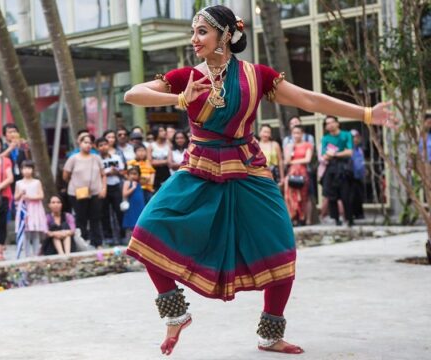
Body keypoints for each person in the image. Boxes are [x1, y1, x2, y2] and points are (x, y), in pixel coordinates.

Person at [123, 4, 394, 355]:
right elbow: (133, 94)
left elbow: (309, 99)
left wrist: (367, 113)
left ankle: (271, 334)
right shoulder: (185, 76)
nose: (194, 39)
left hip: (247, 170)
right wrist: (178, 97)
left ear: (225, 35)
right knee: (147, 231)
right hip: (198, 170)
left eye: (202, 32)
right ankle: (175, 313)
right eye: (193, 32)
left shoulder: (256, 76)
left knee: (281, 249)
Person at [63, 133, 106, 248]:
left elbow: (103, 174)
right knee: (80, 217)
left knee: (95, 217)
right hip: (77, 193)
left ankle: (97, 242)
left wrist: (103, 188)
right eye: (85, 142)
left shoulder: (96, 158)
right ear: (80, 143)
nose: (88, 145)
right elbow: (65, 176)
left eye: (90, 143)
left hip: (95, 192)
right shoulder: (73, 158)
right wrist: (76, 184)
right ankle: (82, 242)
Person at [321, 115, 354, 226]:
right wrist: (339, 153)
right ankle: (336, 219)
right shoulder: (325, 138)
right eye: (327, 123)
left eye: (331, 122)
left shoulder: (346, 135)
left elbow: (350, 152)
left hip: (345, 168)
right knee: (332, 195)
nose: (329, 125)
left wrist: (334, 154)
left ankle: (349, 219)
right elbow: (324, 156)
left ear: (337, 123)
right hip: (331, 168)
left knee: (346, 195)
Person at [14, 160, 47, 258]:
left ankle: (36, 253)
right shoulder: (19, 183)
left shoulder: (37, 182)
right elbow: (15, 197)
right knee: (26, 232)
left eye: (29, 168)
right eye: (24, 168)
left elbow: (41, 195)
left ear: (33, 170)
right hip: (23, 209)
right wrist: (21, 194)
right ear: (21, 170)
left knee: (35, 232)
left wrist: (30, 197)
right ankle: (27, 255)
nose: (27, 171)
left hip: (34, 209)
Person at [97, 137, 125, 245]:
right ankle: (108, 237)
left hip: (116, 186)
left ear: (109, 145)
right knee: (104, 213)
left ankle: (122, 236)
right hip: (103, 187)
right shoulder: (97, 159)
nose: (104, 147)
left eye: (105, 144)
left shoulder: (116, 157)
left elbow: (123, 171)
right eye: (101, 145)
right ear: (97, 147)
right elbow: (97, 174)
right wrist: (108, 172)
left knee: (119, 212)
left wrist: (116, 171)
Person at [283, 126, 313, 226]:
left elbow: (307, 159)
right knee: (290, 196)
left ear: (302, 134)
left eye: (298, 133)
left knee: (303, 195)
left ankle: (302, 218)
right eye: (294, 133)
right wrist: (291, 148)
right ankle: (293, 218)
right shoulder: (289, 146)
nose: (296, 135)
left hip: (302, 172)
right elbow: (286, 161)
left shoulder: (307, 145)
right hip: (291, 172)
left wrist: (293, 161)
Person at [121, 167, 145, 239]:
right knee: (131, 221)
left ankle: (139, 238)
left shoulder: (138, 183)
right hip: (132, 206)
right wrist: (133, 188)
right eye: (131, 174)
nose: (133, 176)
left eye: (135, 174)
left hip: (140, 206)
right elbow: (124, 194)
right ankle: (130, 239)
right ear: (128, 175)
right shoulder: (127, 183)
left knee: (139, 221)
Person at [148, 126, 172, 191]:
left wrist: (156, 161)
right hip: (155, 173)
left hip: (166, 172)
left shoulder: (169, 145)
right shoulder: (151, 146)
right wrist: (165, 161)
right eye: (161, 131)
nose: (164, 132)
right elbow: (150, 162)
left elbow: (170, 161)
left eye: (164, 130)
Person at [350, 129, 365, 220]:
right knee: (352, 196)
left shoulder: (359, 149)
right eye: (353, 137)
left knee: (359, 195)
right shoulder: (348, 149)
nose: (355, 139)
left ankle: (359, 213)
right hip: (351, 176)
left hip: (359, 176)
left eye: (356, 137)